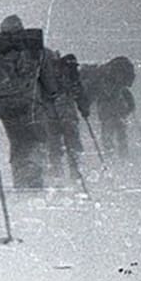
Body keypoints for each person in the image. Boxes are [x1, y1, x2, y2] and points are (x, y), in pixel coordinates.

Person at [0, 15, 58, 190]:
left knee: (17, 141)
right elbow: (49, 82)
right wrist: (51, 95)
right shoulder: (36, 49)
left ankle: (21, 180)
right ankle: (32, 180)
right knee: (34, 139)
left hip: (2, 105)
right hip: (28, 102)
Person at [44, 51, 90, 183]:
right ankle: (74, 172)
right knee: (71, 143)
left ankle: (57, 173)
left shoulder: (48, 74)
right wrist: (84, 109)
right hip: (65, 114)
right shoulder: (71, 76)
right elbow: (79, 93)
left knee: (55, 145)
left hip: (51, 114)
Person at [80, 56, 136, 158]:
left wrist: (85, 106)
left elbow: (93, 94)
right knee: (119, 132)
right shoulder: (118, 83)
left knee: (109, 133)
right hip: (117, 109)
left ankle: (111, 155)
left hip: (106, 110)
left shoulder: (103, 80)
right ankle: (122, 155)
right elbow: (126, 93)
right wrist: (130, 107)